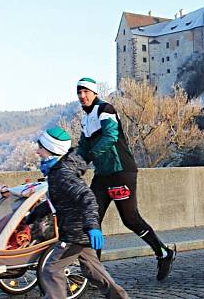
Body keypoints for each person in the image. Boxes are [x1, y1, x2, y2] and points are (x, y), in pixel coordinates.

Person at [75, 77, 175, 281]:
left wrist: (90, 156)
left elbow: (110, 136)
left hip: (121, 171)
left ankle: (164, 253)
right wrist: (71, 162)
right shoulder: (85, 119)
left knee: (130, 220)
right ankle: (96, 272)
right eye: (79, 92)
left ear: (94, 93)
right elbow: (82, 147)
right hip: (102, 175)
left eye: (86, 91)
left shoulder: (106, 109)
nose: (82, 96)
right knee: (91, 221)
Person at [30, 127, 129, 299]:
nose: (38, 151)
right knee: (93, 270)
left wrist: (93, 227)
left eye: (41, 148)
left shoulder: (62, 174)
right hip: (79, 232)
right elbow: (57, 202)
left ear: (52, 150)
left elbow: (87, 197)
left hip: (75, 233)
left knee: (51, 270)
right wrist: (32, 216)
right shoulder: (58, 172)